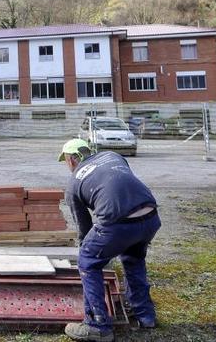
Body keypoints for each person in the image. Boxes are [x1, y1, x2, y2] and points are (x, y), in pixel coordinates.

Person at [59, 138, 160, 342]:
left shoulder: (73, 183)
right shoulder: (112, 156)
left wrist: (94, 251)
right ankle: (145, 316)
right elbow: (121, 182)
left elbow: (84, 229)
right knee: (133, 258)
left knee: (87, 260)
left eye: (66, 161)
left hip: (118, 222)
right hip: (150, 218)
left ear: (71, 160)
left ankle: (97, 325)